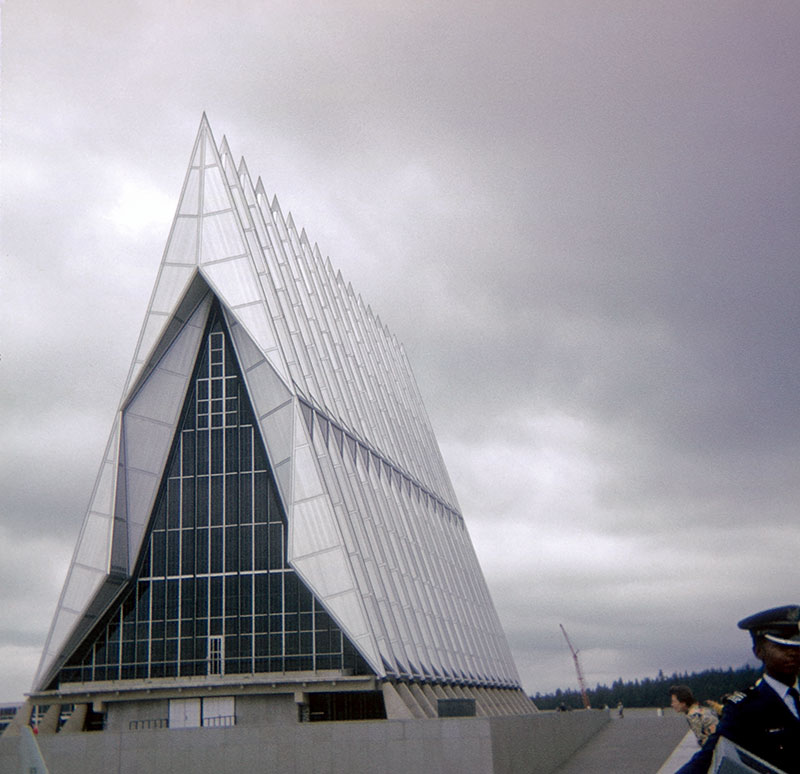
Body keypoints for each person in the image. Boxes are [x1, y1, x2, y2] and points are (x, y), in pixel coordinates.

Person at [676, 604, 800, 774]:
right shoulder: (744, 708)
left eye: (796, 646)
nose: (792, 653)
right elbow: (710, 755)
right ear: (758, 652)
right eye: (782, 647)